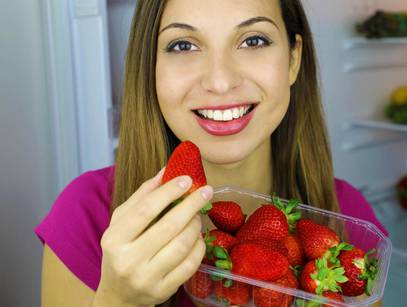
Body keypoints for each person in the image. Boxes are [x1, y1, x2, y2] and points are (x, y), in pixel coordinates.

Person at [35, 0, 388, 306]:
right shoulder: (85, 214)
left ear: (293, 60)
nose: (220, 82)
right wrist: (119, 300)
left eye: (253, 40)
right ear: (150, 67)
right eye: (183, 45)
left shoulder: (349, 220)